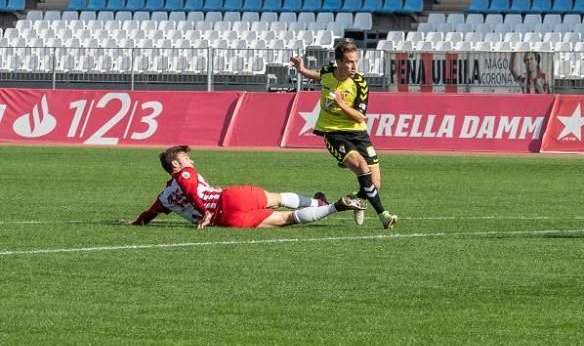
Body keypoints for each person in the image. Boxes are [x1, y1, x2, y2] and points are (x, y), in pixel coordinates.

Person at [290, 40, 399, 229]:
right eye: (349, 61)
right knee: (361, 166)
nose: (354, 65)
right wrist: (302, 70)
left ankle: (354, 201)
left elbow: (360, 117)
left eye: (356, 61)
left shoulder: (360, 83)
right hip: (333, 132)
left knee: (374, 183)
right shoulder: (328, 70)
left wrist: (341, 104)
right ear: (339, 62)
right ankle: (384, 215)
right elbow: (320, 77)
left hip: (358, 133)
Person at [131, 145, 363, 229]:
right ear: (175, 164)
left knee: (286, 219)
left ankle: (334, 206)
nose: (191, 162)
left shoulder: (165, 197)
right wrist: (206, 211)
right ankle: (326, 205)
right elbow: (191, 188)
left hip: (226, 220)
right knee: (279, 198)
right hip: (230, 199)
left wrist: (135, 223)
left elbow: (149, 214)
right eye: (186, 158)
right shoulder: (185, 173)